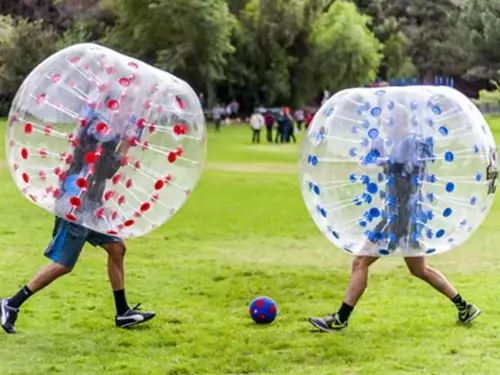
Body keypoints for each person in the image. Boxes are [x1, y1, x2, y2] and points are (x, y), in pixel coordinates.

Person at [308, 104, 481, 332]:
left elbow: (405, 170)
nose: (385, 125)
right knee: (419, 270)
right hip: (406, 215)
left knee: (360, 262)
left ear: (401, 121)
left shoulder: (409, 143)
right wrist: (377, 157)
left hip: (398, 215)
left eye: (389, 120)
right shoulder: (407, 143)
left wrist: (382, 161)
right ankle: (465, 307)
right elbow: (387, 165)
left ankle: (340, 319)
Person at [1, 95, 156, 334]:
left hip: (91, 201)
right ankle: (10, 304)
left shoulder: (106, 124)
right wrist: (127, 142)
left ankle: (122, 312)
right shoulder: (99, 128)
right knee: (64, 264)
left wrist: (127, 136)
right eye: (127, 106)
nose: (131, 111)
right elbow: (107, 169)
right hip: (76, 200)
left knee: (117, 249)